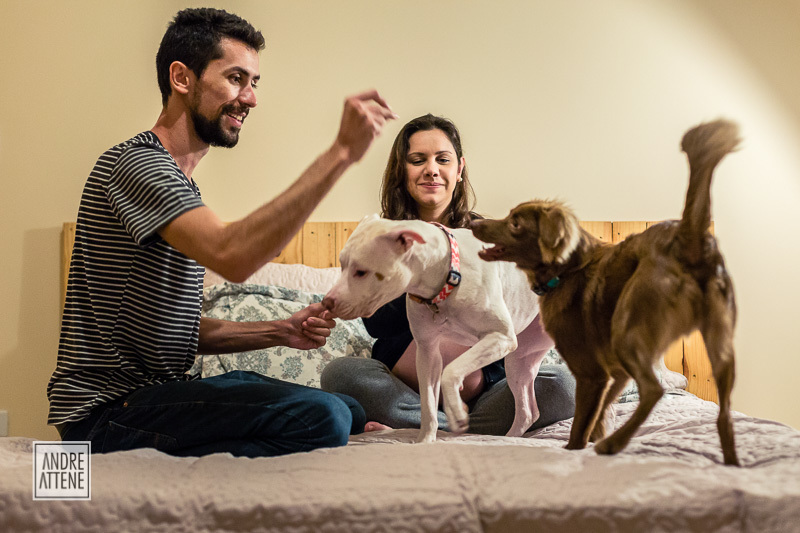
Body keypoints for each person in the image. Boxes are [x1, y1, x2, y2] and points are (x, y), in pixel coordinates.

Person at [47, 7, 397, 458]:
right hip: (104, 414)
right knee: (326, 417)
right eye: (236, 78)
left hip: (159, 392)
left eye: (254, 83)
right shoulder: (136, 166)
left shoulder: (181, 184)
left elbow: (177, 330)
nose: (250, 98)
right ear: (181, 78)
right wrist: (342, 153)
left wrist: (279, 330)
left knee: (348, 406)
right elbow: (231, 255)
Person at [321, 114, 576, 435]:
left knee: (562, 385)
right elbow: (377, 325)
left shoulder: (486, 239)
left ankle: (421, 426)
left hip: (485, 392)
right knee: (341, 375)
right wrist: (416, 274)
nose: (431, 169)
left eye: (443, 159)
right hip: (404, 389)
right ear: (402, 170)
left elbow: (518, 312)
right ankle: (446, 425)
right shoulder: (379, 239)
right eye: (417, 160)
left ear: (459, 169)